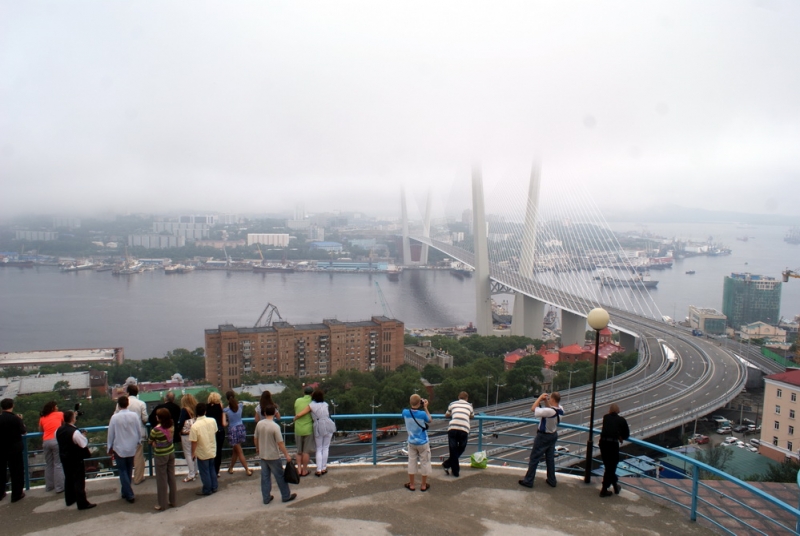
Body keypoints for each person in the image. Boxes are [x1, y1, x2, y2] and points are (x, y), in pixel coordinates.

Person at [518, 392, 565, 489]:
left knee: (534, 458)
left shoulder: (549, 412)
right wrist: (546, 401)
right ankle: (552, 480)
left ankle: (528, 481)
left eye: (549, 398)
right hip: (553, 435)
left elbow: (533, 409)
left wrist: (539, 398)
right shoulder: (560, 409)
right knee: (550, 459)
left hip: (543, 437)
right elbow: (551, 409)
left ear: (552, 399)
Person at [254, 405, 296, 504]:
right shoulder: (275, 426)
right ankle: (285, 496)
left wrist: (257, 448)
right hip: (273, 455)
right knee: (280, 476)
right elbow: (280, 443)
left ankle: (266, 497)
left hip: (263, 454)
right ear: (274, 413)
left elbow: (255, 438)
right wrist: (287, 455)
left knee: (265, 477)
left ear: (264, 413)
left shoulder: (259, 424)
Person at [56, 410, 95, 510]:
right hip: (75, 458)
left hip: (64, 457)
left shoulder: (59, 430)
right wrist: (83, 436)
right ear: (73, 419)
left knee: (68, 478)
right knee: (79, 481)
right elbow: (83, 444)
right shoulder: (74, 432)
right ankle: (82, 503)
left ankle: (70, 499)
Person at [108, 395, 142, 503]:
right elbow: (138, 430)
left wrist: (109, 446)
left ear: (118, 405)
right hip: (131, 446)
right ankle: (125, 491)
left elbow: (111, 434)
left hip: (119, 447)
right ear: (127, 403)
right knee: (128, 469)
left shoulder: (115, 417)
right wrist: (139, 441)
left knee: (122, 470)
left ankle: (129, 493)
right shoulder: (134, 416)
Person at [293, 389, 335, 476]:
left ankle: (318, 469)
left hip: (318, 425)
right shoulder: (326, 404)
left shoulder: (311, 405)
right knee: (326, 448)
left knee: (319, 448)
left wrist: (295, 418)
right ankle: (324, 468)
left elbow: (301, 414)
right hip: (329, 424)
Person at [114, 384, 148, 484]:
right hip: (138, 434)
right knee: (138, 457)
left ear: (127, 392)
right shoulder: (141, 403)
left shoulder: (120, 403)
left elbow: (115, 417)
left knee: (124, 457)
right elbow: (145, 419)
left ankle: (126, 480)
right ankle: (138, 478)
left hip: (123, 435)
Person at [402, 394, 432, 492]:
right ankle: (423, 485)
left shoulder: (405, 412)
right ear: (420, 403)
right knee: (424, 462)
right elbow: (430, 420)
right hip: (423, 442)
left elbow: (406, 413)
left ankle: (412, 484)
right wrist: (426, 407)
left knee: (411, 462)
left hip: (411, 442)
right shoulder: (422, 414)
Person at [599, 403, 630, 497]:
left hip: (603, 444)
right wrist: (619, 436)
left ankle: (615, 487)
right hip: (612, 445)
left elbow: (610, 428)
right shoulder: (621, 420)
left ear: (609, 411)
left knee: (608, 467)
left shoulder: (606, 418)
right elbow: (626, 434)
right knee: (611, 467)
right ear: (618, 411)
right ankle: (604, 490)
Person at [149, 408, 177, 510]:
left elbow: (151, 441)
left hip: (161, 455)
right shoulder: (172, 425)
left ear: (160, 419)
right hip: (171, 452)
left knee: (162, 479)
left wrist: (154, 443)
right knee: (171, 477)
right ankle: (173, 501)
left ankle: (162, 504)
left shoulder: (155, 430)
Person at [0, 398, 26, 503]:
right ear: (12, 406)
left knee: (1, 471)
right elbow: (23, 431)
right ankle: (16, 494)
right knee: (16, 472)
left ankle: (1, 493)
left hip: (1, 448)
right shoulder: (15, 419)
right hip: (14, 448)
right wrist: (21, 420)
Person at [189, 402, 219, 496]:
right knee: (212, 469)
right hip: (212, 448)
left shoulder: (195, 426)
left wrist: (193, 453)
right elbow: (215, 432)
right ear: (205, 411)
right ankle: (214, 486)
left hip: (202, 451)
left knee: (204, 471)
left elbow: (194, 441)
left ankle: (207, 489)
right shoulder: (212, 421)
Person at [442, 391, 474, 478]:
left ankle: (449, 465)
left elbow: (447, 414)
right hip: (464, 429)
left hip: (453, 428)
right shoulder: (469, 406)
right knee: (462, 448)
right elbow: (472, 416)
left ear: (458, 397)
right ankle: (454, 470)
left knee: (453, 449)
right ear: (467, 398)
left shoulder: (452, 404)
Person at [224, 391, 253, 476]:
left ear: (226, 398)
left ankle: (247, 469)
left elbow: (224, 423)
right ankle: (231, 468)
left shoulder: (226, 410)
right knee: (235, 451)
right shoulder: (240, 406)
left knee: (239, 451)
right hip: (241, 428)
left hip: (233, 430)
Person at [38, 400, 65, 493]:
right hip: (56, 440)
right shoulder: (59, 414)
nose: (57, 408)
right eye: (56, 406)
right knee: (58, 464)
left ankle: (49, 486)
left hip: (46, 441)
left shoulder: (42, 417)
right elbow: (65, 423)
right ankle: (59, 487)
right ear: (53, 408)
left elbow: (41, 429)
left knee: (49, 464)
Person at [293, 386, 316, 477]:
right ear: (312, 393)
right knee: (306, 452)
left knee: (299, 451)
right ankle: (304, 470)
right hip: (308, 429)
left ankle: (298, 469)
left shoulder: (297, 400)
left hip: (298, 428)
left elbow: (296, 410)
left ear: (303, 393)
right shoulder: (313, 402)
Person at [177, 394, 198, 482]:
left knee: (188, 454)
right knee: (195, 452)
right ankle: (195, 470)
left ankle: (191, 474)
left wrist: (178, 431)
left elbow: (181, 422)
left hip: (186, 434)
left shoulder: (184, 410)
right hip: (195, 432)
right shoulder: (195, 409)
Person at [205, 392, 227, 477]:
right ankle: (216, 470)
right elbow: (223, 421)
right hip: (219, 431)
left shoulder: (206, 407)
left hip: (209, 432)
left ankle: (210, 469)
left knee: (210, 450)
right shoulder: (220, 406)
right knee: (218, 451)